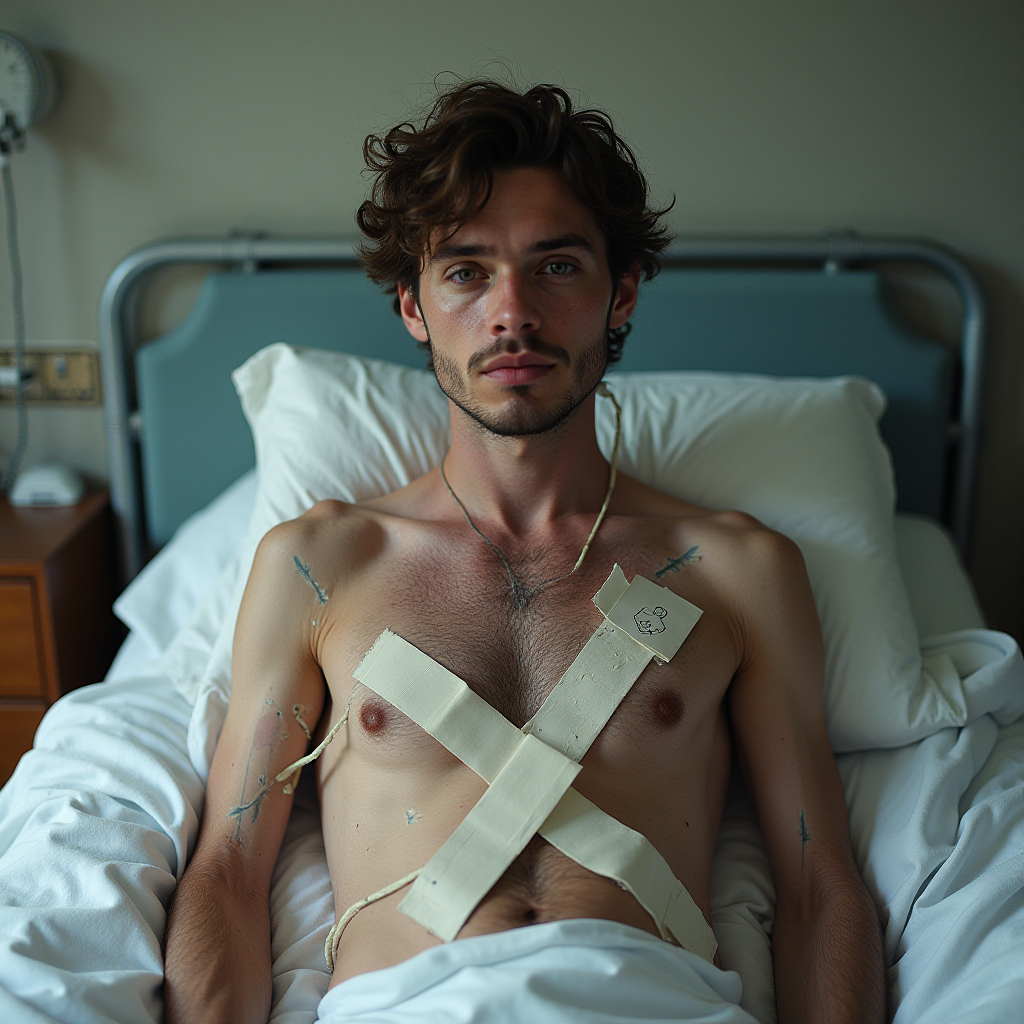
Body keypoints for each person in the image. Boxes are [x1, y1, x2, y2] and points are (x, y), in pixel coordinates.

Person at [163, 80, 885, 1024]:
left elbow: (819, 886)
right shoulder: (319, 564)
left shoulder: (738, 571)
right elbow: (224, 871)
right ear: (413, 306)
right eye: (465, 271)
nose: (512, 313)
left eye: (556, 267)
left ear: (620, 292)